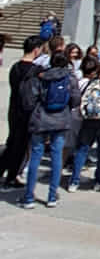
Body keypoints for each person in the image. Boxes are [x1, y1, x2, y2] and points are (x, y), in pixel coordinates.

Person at [19, 50, 81, 208]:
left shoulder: (41, 77)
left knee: (35, 156)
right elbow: (76, 100)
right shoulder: (70, 78)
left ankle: (28, 196)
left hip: (41, 117)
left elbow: (30, 100)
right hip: (61, 119)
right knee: (56, 157)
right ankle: (52, 196)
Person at [1, 35, 44, 189]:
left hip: (14, 108)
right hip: (28, 111)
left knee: (12, 142)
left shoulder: (15, 66)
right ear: (36, 49)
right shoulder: (36, 70)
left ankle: (3, 171)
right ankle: (11, 177)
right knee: (21, 145)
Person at [67, 57, 100, 190]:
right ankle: (98, 180)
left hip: (89, 119)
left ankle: (74, 181)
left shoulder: (92, 82)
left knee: (82, 148)